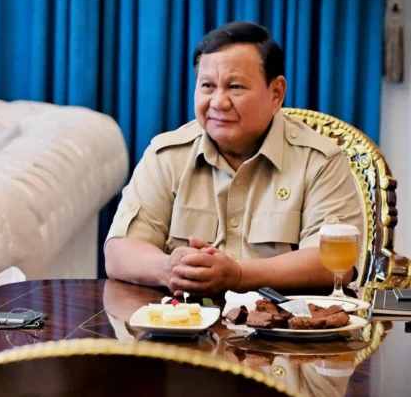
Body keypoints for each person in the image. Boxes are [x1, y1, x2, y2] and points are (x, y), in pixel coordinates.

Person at [104, 21, 364, 296]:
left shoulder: (319, 160)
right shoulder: (167, 155)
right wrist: (169, 268)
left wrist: (238, 276)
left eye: (235, 87)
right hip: (182, 319)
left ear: (276, 93)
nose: (218, 102)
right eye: (207, 86)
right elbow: (119, 252)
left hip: (285, 321)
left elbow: (333, 264)